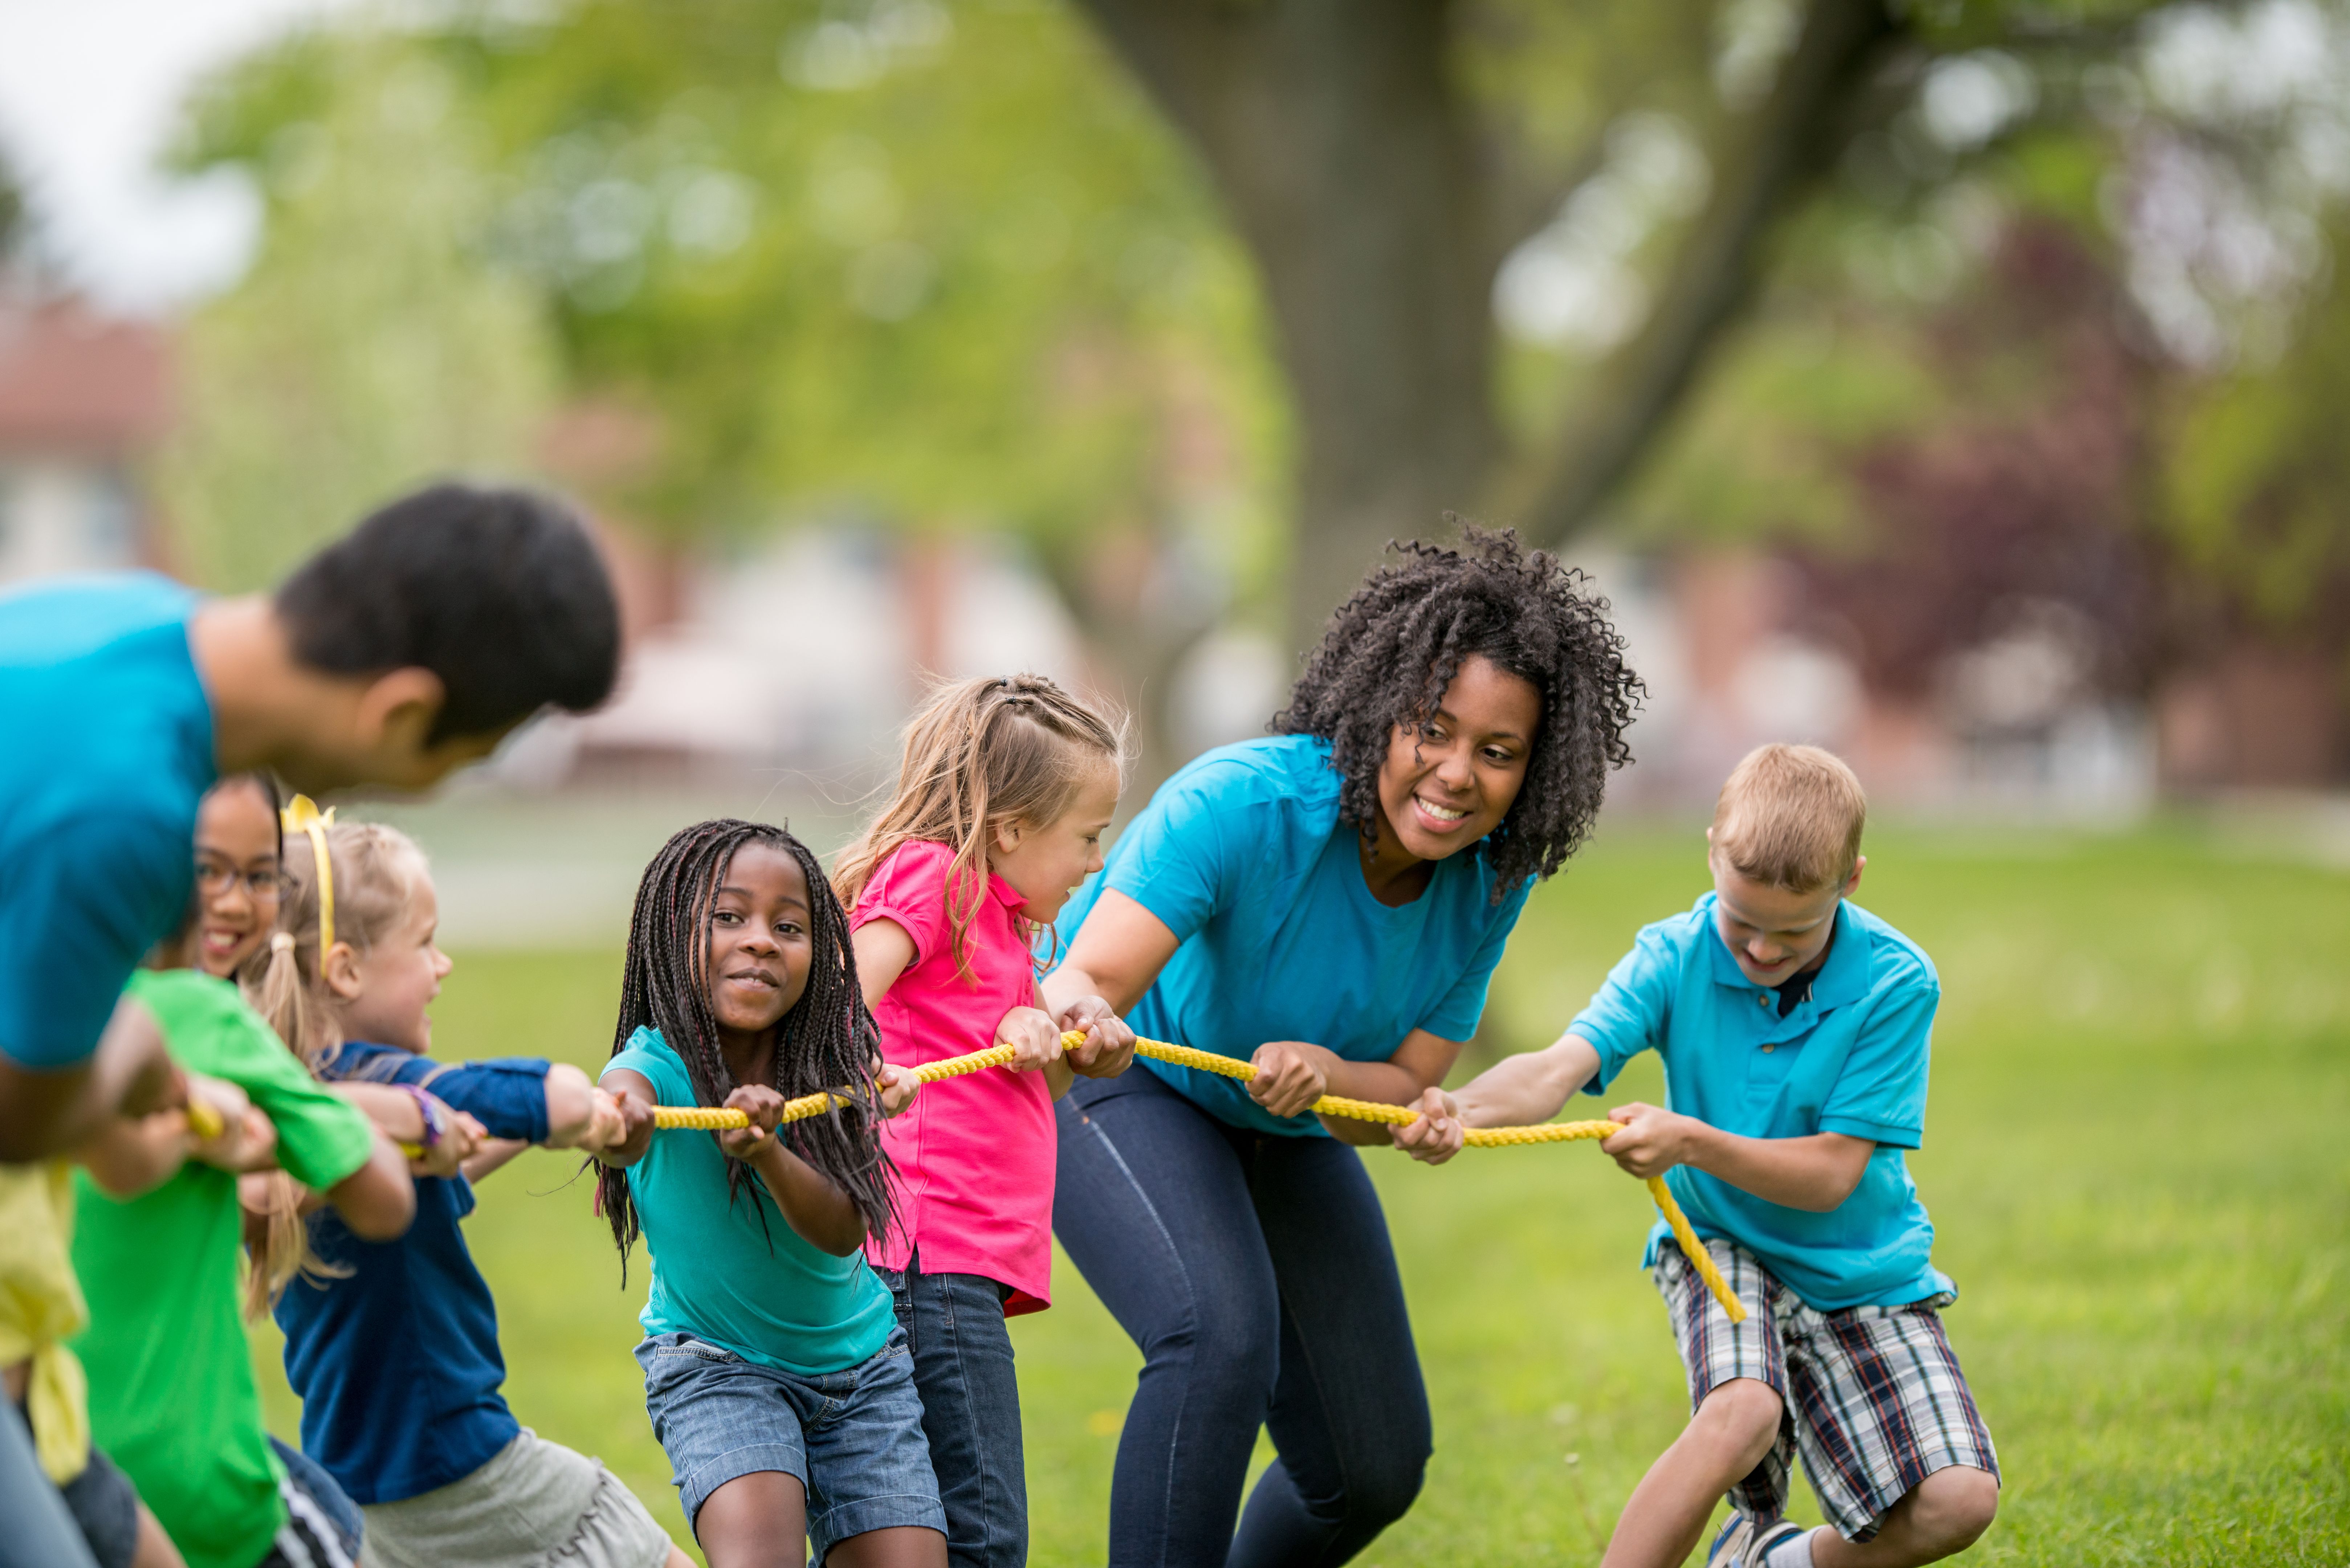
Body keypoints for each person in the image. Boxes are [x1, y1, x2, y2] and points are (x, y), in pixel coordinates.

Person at [1041, 526, 1643, 1567]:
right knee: (1218, 1340)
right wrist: (1080, 1025)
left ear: (1534, 772)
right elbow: (1083, 987)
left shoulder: (1490, 880)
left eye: (1497, 753)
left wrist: (1326, 1077)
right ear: (1381, 712)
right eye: (1432, 730)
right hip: (1128, 1082)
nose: (1456, 774)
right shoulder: (1243, 803)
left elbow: (1405, 1086)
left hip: (1285, 1125)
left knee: (1371, 1466)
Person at [1396, 744, 2001, 1568]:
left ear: (1851, 881)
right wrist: (1458, 1110)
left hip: (1863, 1267)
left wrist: (1688, 1140)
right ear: (1713, 852)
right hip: (1719, 1242)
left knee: (1959, 1502)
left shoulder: (1896, 983)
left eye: (1794, 931)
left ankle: (1771, 1560)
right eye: (1741, 922)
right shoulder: (1673, 955)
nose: (1762, 951)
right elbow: (1556, 1068)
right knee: (1743, 1410)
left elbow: (1831, 1175)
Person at [0, 480, 621, 1164]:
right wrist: (148, 1052)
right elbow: (20, 1123)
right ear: (402, 714)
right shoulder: (126, 811)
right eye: (462, 762)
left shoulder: (121, 612)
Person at [259, 812, 689, 1568]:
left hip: (368, 1473)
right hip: (458, 1454)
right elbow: (523, 1095)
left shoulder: (303, 1107)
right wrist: (568, 1104)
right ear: (345, 970)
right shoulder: (387, 1087)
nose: (444, 964)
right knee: (632, 1544)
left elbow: (435, 1166)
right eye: (424, 943)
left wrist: (547, 1132)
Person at [832, 675, 1139, 1568]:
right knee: (982, 1536)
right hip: (927, 1253)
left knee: (907, 1530)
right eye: (1087, 836)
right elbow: (841, 1009)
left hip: (953, 1259)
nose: (1095, 861)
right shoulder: (934, 878)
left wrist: (1070, 1049)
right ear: (1010, 830)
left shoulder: (1001, 923)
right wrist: (870, 1067)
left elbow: (1024, 1082)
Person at [595, 821, 941, 1568]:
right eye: (729, 917)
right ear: (673, 932)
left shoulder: (828, 1069)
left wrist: (766, 1153)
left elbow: (843, 1229)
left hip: (865, 1374)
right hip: (718, 1366)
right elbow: (621, 1122)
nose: (760, 941)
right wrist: (615, 1123)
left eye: (789, 927)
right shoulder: (650, 1066)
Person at [74, 946, 415, 1568]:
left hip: (44, 1468)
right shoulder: (191, 1012)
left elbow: (115, 1163)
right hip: (195, 1482)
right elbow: (385, 1200)